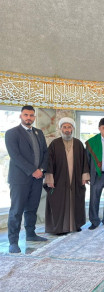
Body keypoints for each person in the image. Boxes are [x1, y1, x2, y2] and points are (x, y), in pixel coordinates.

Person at [5, 105, 49, 253]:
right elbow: (15, 156)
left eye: (31, 115)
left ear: (34, 117)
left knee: (32, 208)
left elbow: (45, 153)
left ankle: (31, 234)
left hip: (37, 178)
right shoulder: (12, 133)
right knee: (16, 210)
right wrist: (32, 171)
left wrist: (41, 170)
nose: (28, 118)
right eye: (26, 115)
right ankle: (13, 241)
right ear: (21, 116)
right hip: (19, 179)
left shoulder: (39, 132)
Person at [44, 117, 90, 234]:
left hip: (75, 179)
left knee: (75, 201)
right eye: (64, 127)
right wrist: (49, 179)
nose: (67, 130)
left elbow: (85, 161)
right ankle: (60, 228)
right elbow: (48, 161)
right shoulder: (55, 144)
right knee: (59, 202)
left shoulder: (79, 143)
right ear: (60, 129)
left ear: (73, 129)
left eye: (69, 127)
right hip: (59, 179)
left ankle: (75, 225)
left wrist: (84, 177)